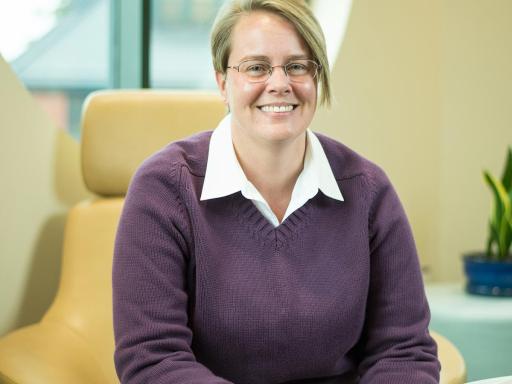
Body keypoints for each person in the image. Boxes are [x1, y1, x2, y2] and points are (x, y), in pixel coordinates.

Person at [112, 1, 441, 383]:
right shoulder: (165, 189)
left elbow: (404, 352)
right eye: (256, 67)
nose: (280, 83)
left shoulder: (368, 191)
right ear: (222, 82)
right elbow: (153, 360)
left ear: (316, 78)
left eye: (298, 66)